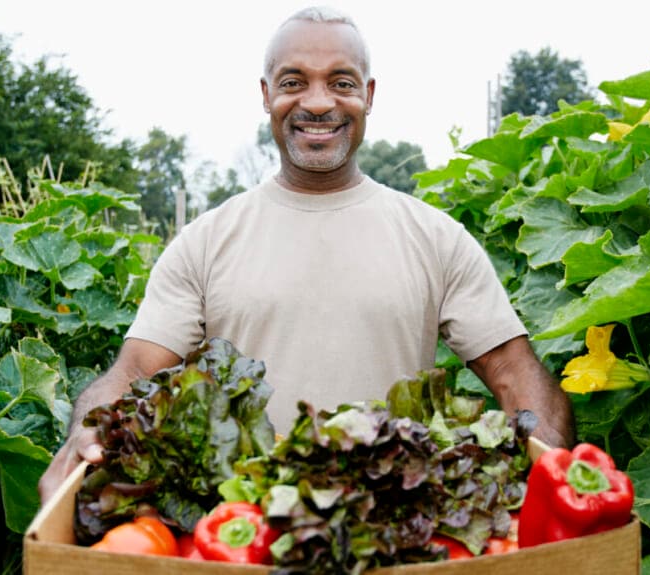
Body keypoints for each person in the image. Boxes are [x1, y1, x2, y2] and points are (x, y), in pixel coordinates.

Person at [38, 6, 574, 504]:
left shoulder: (436, 237)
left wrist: (549, 458)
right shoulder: (205, 242)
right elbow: (133, 372)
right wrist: (90, 429)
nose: (318, 103)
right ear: (266, 94)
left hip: (393, 528)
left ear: (368, 93)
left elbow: (512, 371)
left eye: (340, 83)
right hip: (242, 531)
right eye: (294, 83)